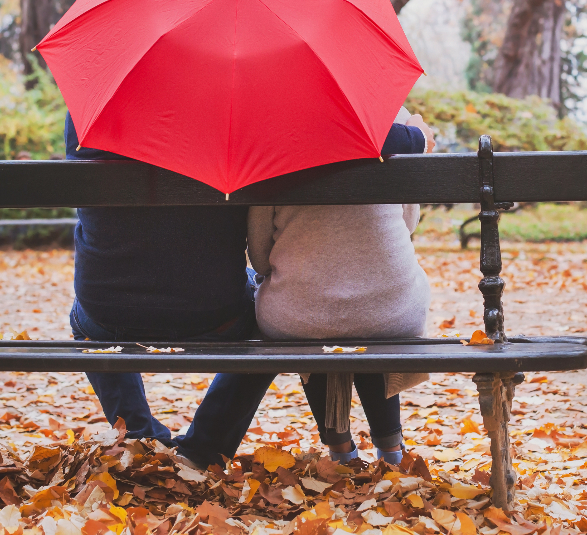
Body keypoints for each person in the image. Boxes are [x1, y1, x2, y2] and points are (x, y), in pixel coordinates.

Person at [65, 110, 434, 467]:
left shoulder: (89, 108)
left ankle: (137, 436)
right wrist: (415, 136)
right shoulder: (229, 105)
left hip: (107, 309)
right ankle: (205, 448)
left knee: (84, 320)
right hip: (213, 313)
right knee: (261, 322)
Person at [245, 107, 435, 466]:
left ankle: (341, 449)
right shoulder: (390, 121)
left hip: (297, 318)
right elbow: (407, 224)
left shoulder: (270, 135)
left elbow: (258, 254)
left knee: (308, 308)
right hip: (393, 312)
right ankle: (391, 448)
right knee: (373, 310)